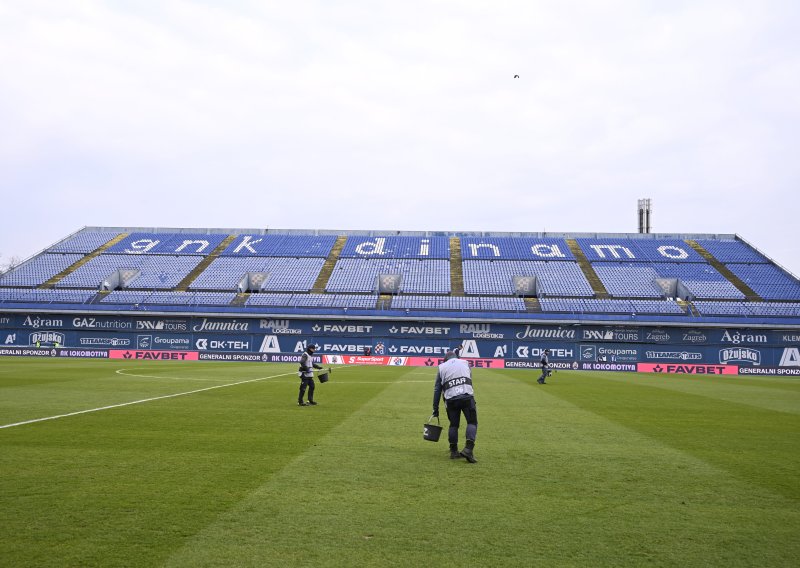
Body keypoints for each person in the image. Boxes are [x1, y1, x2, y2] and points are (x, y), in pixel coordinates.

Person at [432, 351, 478, 463]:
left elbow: (437, 389)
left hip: (451, 399)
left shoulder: (441, 367)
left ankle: (454, 451)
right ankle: (468, 449)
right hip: (467, 397)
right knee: (472, 422)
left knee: (454, 425)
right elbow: (469, 380)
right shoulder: (465, 362)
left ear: (445, 359)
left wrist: (435, 408)